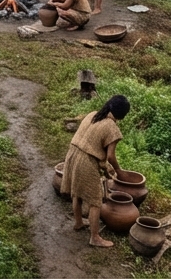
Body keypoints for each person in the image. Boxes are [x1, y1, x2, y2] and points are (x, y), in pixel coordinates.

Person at [62, 94, 130, 247]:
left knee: (77, 192)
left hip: (72, 154)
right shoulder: (112, 128)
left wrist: (105, 168)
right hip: (85, 161)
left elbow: (99, 155)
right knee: (96, 201)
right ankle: (95, 237)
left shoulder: (93, 114)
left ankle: (79, 222)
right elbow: (110, 156)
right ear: (122, 115)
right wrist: (118, 171)